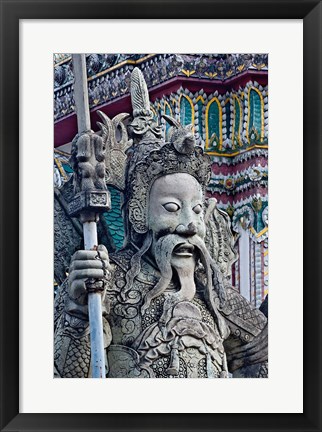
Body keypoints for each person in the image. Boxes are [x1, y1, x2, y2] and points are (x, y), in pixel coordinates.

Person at [54, 68, 268, 378]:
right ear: (140, 214)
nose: (188, 225)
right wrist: (76, 315)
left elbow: (261, 350)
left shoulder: (215, 293)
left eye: (196, 211)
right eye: (171, 208)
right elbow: (67, 378)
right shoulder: (108, 282)